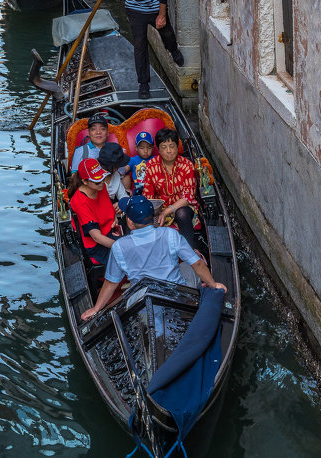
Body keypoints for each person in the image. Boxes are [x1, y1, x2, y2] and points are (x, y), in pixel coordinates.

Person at [81, 194, 227, 320]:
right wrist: (214, 285)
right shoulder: (170, 234)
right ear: (153, 218)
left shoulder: (119, 246)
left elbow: (111, 283)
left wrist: (96, 309)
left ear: (130, 223)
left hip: (143, 300)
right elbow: (198, 264)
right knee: (187, 266)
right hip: (176, 295)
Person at [99, 0, 184, 99]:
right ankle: (143, 83)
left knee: (167, 35)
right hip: (134, 10)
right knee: (139, 46)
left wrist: (161, 15)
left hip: (155, 8)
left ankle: (173, 50)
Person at [142, 127, 202, 253]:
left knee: (182, 213)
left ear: (177, 147)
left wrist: (168, 211)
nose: (169, 151)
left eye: (172, 146)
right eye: (164, 147)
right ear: (158, 149)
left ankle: (189, 251)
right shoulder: (151, 165)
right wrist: (157, 212)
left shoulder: (186, 165)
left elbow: (188, 196)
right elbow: (148, 194)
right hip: (160, 207)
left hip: (184, 206)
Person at [68, 158, 120, 267]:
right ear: (85, 182)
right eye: (97, 181)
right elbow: (96, 237)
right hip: (96, 245)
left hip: (110, 232)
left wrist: (114, 218)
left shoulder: (101, 187)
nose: (102, 182)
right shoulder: (80, 202)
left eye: (103, 178)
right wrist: (120, 246)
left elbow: (109, 209)